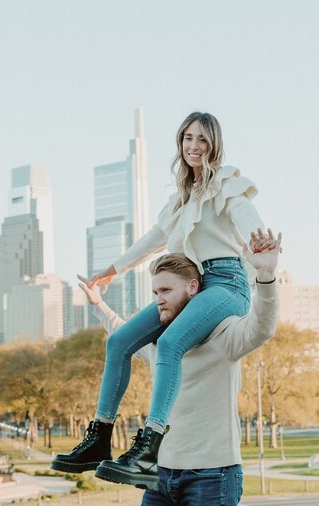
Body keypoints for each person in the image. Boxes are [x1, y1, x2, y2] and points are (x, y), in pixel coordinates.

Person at [51, 112, 266, 487]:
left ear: (214, 144)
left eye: (201, 139)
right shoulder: (181, 200)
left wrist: (260, 243)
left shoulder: (227, 185)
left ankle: (150, 446)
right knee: (119, 342)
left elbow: (247, 217)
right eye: (187, 139)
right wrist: (111, 271)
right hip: (194, 283)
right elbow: (152, 239)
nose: (194, 147)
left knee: (169, 343)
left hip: (227, 284)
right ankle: (99, 438)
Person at [81, 228, 280, 504]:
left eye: (165, 291)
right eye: (154, 292)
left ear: (193, 288)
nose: (158, 299)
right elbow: (122, 337)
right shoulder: (158, 344)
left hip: (213, 475)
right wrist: (98, 305)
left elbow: (262, 326)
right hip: (159, 475)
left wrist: (266, 277)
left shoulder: (225, 334)